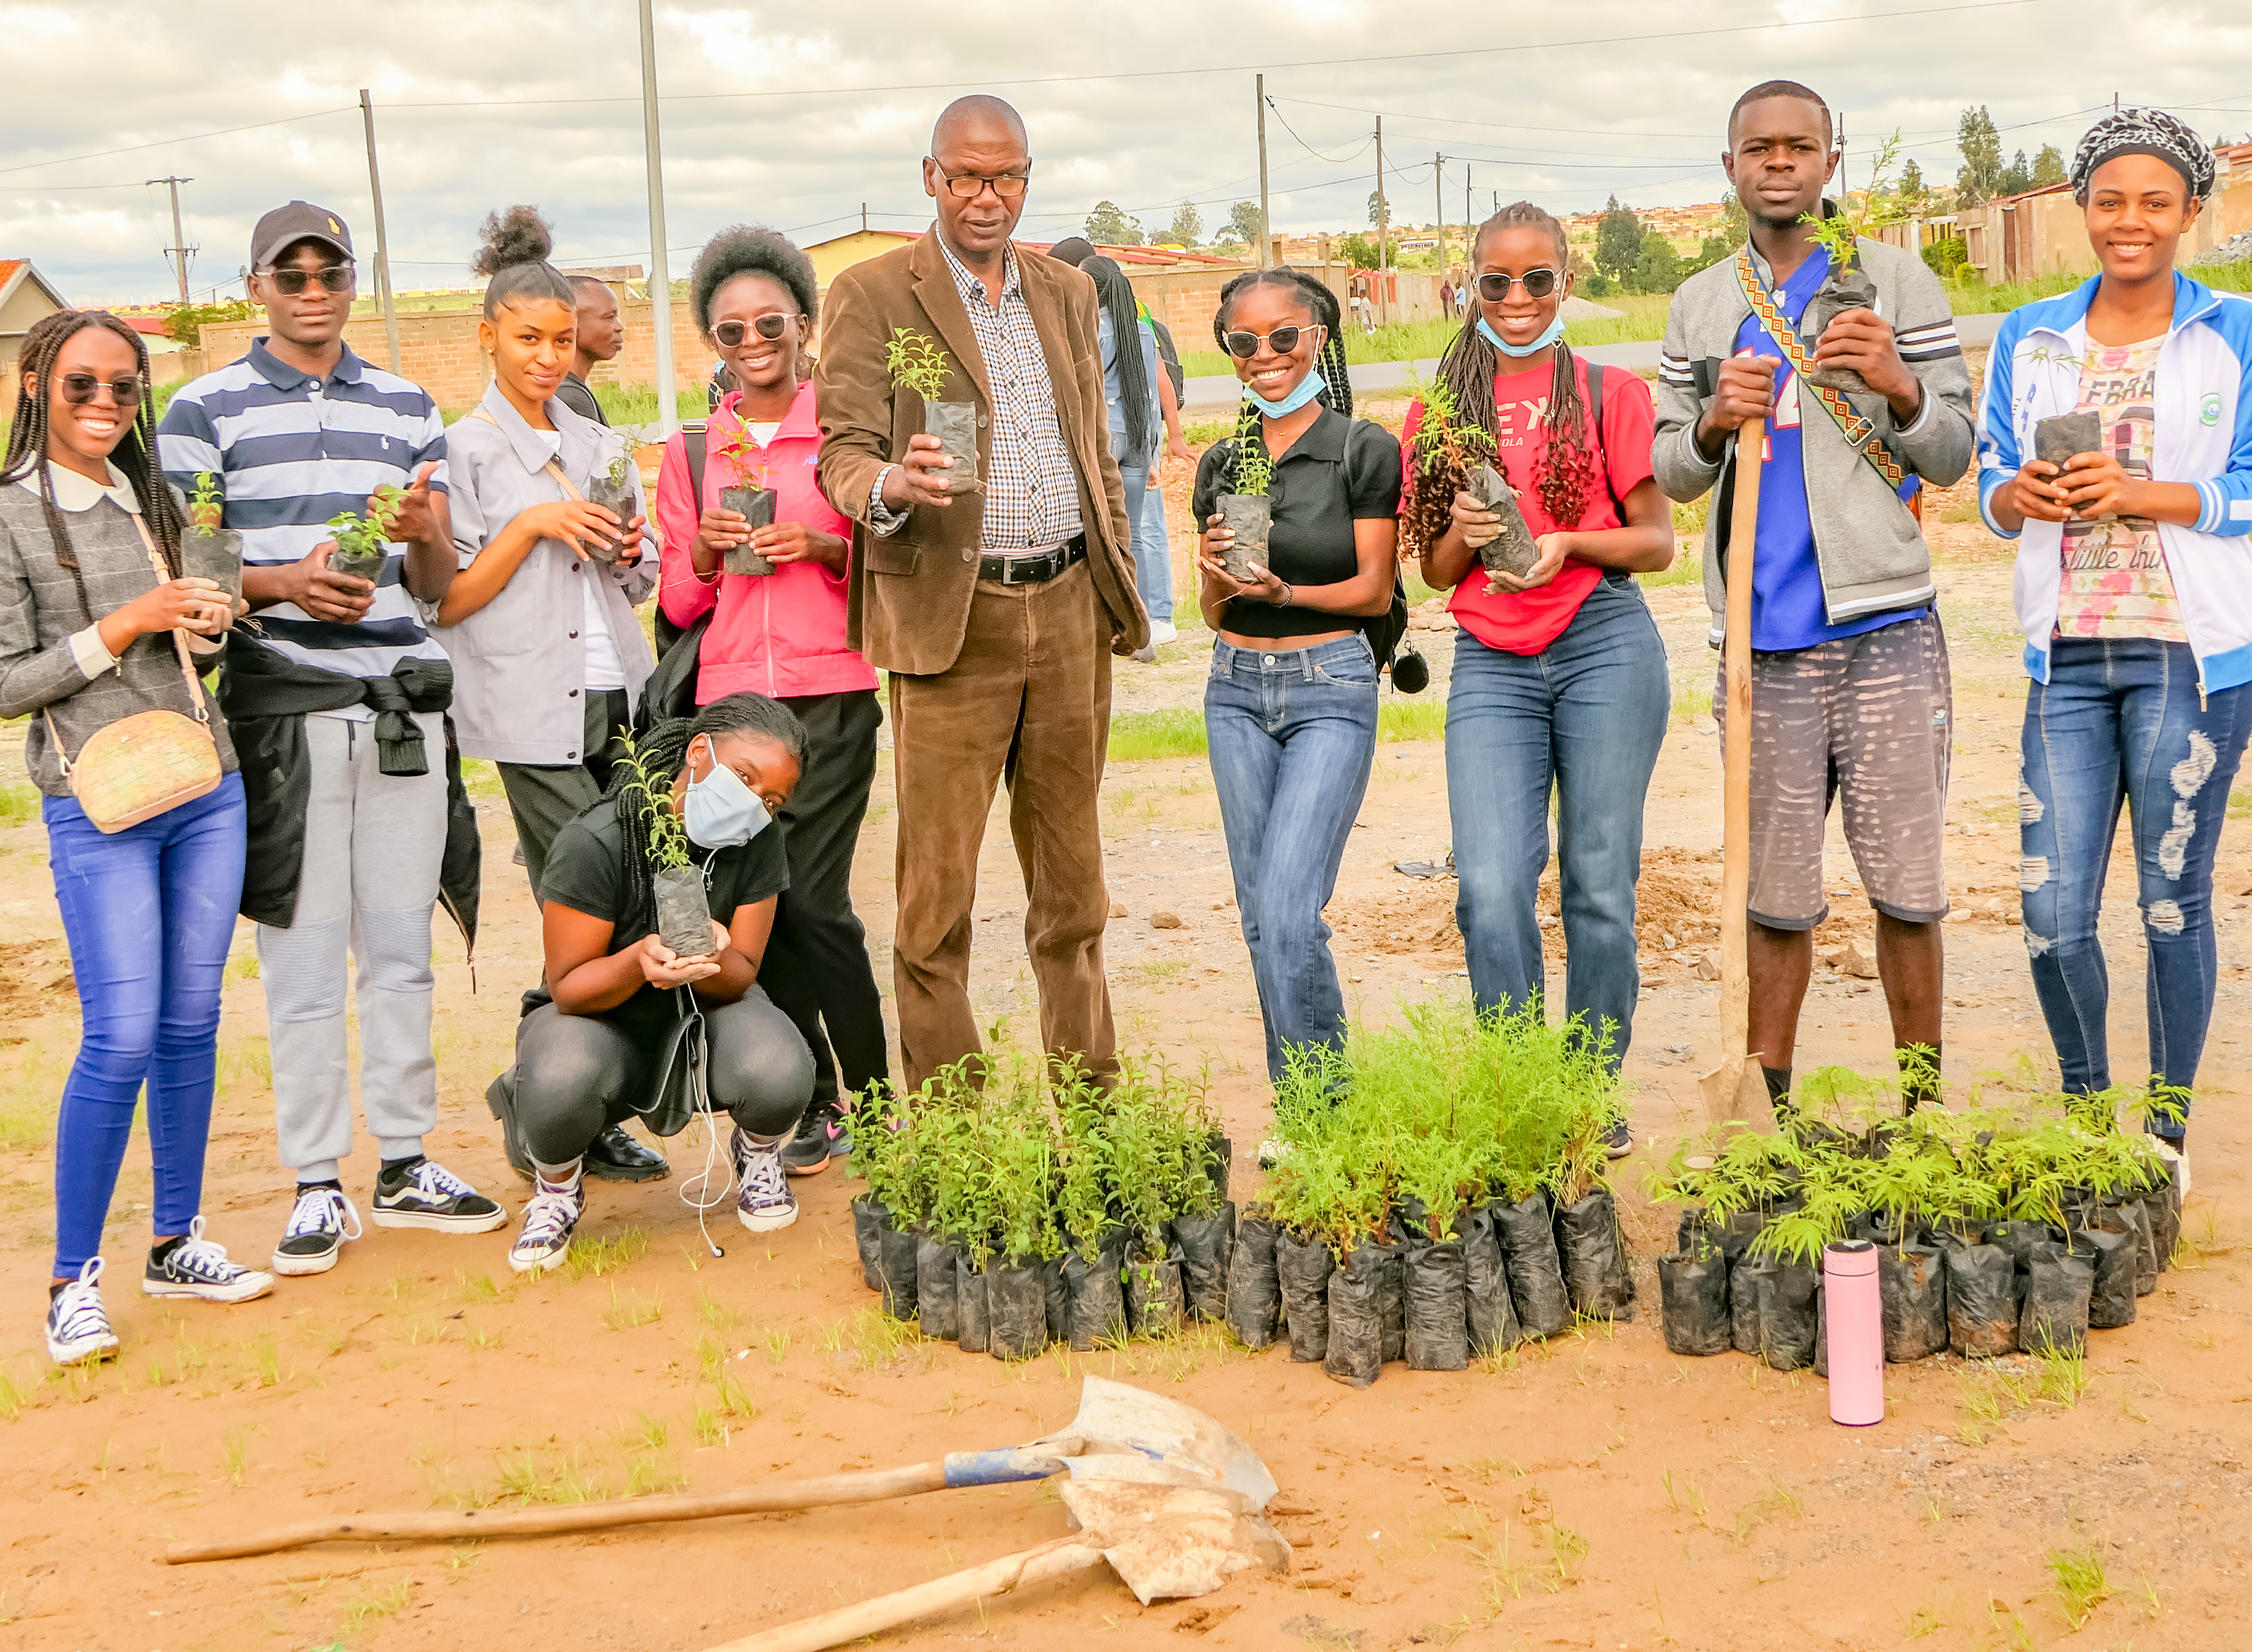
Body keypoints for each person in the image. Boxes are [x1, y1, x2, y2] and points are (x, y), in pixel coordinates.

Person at [159, 201, 505, 1277]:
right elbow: (186, 568)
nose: (313, 290)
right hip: (283, 716)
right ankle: (316, 1180)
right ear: (254, 285)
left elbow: (441, 592)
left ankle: (404, 1162)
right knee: (303, 957)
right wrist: (283, 582)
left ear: (356, 280)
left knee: (400, 951)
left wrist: (426, 533)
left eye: (331, 272)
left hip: (399, 709)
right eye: (290, 273)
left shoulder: (409, 406)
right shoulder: (199, 411)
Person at [1652, 82, 1975, 1112]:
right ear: (1731, 167)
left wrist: (1903, 385)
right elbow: (1672, 471)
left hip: (1884, 631)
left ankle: (1922, 1110)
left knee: (1909, 891)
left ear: (1830, 163)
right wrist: (1710, 424)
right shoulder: (1702, 304)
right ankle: (1771, 1115)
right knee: (1776, 899)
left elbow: (1955, 453)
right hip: (1758, 645)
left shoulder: (1894, 282)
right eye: (1760, 148)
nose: (1779, 162)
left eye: (1801, 147)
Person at [813, 95, 1145, 1091]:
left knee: (1074, 891)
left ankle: (1091, 1112)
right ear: (932, 178)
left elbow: (1095, 450)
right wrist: (890, 487)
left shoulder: (1065, 293)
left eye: (1006, 177)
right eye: (966, 176)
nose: (986, 197)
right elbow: (842, 451)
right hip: (955, 624)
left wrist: (1116, 578)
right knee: (936, 901)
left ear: (1028, 178)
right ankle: (957, 1143)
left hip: (1069, 608)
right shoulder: (877, 294)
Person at [1980, 108, 2252, 1182]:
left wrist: (2144, 495)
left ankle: (2165, 1136)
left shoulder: (2233, 331)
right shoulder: (2032, 335)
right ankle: (2093, 1124)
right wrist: (2023, 493)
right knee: (2052, 913)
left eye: (2154, 202)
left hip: (2190, 655)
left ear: (2192, 211)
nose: (2128, 222)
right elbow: (1995, 491)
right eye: (2108, 201)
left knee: (2173, 899)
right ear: (2079, 208)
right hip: (2070, 657)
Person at [3, 310, 273, 1365]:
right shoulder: (12, 515)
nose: (106, 407)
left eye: (123, 389)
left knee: (190, 1022)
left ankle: (178, 1239)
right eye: (82, 387)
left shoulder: (150, 495)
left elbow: (192, 655)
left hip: (204, 786)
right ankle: (72, 1281)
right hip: (99, 800)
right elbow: (6, 682)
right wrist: (122, 623)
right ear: (36, 385)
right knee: (119, 1035)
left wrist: (203, 623)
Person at [1409, 202, 1676, 1154]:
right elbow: (1435, 573)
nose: (1515, 300)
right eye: (1495, 283)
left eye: (1536, 280)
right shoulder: (1441, 410)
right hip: (1491, 657)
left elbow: (1657, 543)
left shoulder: (1608, 392)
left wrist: (1565, 543)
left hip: (1603, 638)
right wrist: (1463, 534)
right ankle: (1516, 1081)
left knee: (1598, 882)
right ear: (1468, 287)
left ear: (1564, 281)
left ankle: (1586, 1090)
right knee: (1488, 883)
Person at [432, 207, 670, 1189]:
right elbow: (444, 596)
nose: (547, 355)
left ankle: (549, 1099)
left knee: (619, 905)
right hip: (534, 714)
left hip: (620, 697)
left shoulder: (594, 437)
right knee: (594, 910)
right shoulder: (464, 451)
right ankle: (553, 1109)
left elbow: (639, 574)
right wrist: (530, 524)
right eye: (527, 338)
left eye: (562, 339)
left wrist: (630, 552)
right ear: (488, 336)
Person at [656, 225, 889, 1176]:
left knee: (815, 902)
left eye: (769, 323)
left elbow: (892, 568)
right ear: (710, 342)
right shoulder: (689, 450)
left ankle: (872, 1102)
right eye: (727, 331)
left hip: (830, 693)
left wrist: (828, 548)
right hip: (733, 713)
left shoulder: (843, 430)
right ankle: (818, 1102)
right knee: (766, 902)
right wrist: (710, 550)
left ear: (803, 323)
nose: (751, 342)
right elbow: (677, 600)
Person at [502, 697, 817, 1269]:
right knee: (559, 1078)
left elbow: (743, 973)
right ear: (699, 751)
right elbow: (569, 988)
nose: (754, 805)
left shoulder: (758, 842)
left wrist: (714, 959)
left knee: (781, 1067)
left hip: (708, 1014)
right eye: (743, 778)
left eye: (770, 800)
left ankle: (758, 1154)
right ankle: (556, 1187)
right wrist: (638, 962)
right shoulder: (596, 840)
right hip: (597, 1020)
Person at [1192, 268, 1401, 1085]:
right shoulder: (1223, 461)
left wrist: (1287, 591)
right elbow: (1214, 612)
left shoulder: (1360, 448)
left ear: (1317, 338)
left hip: (1330, 684)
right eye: (1243, 342)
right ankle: (1301, 1106)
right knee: (1260, 918)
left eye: (1283, 337)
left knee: (1286, 908)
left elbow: (1373, 590)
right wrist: (1214, 575)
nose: (1264, 355)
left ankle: (1326, 1107)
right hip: (1233, 688)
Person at [1085, 255, 1163, 653]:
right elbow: (1149, 397)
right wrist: (1150, 454)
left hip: (1100, 440)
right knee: (1133, 537)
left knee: (1097, 536)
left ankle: (1104, 626)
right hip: (1135, 439)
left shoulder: (1091, 331)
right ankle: (1143, 634)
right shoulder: (1143, 332)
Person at [553, 274, 624, 426]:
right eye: (609, 317)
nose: (619, 327)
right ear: (571, 324)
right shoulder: (569, 398)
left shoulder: (562, 389)